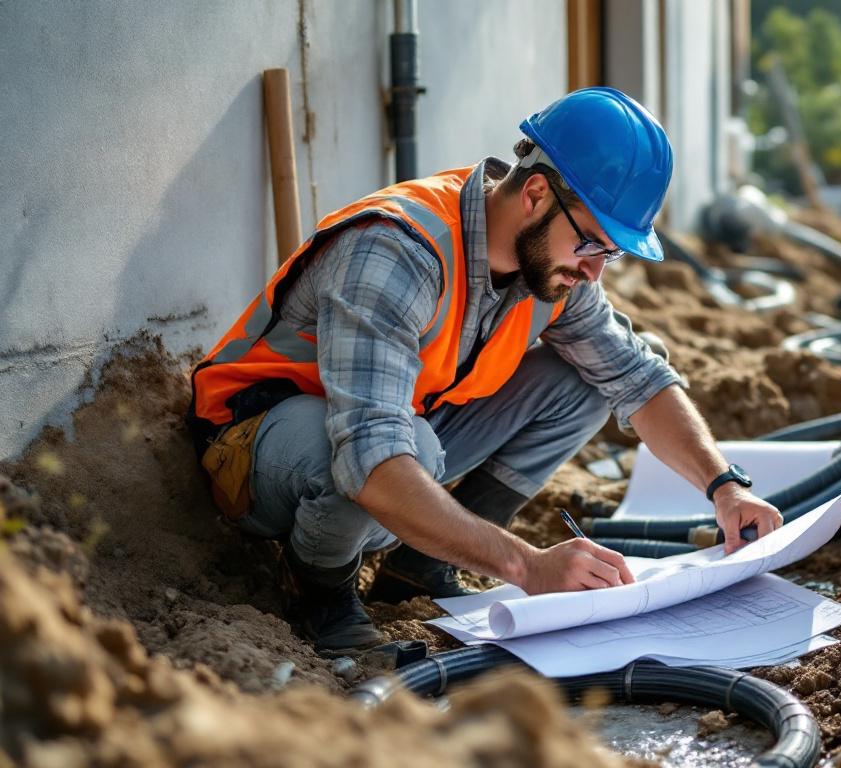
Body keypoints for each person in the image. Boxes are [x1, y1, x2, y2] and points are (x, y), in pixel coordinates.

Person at [186, 87, 783, 654]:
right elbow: (371, 456)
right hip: (255, 447)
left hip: (397, 431)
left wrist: (723, 486)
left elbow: (636, 377)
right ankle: (319, 592)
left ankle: (419, 565)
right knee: (402, 449)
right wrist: (527, 565)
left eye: (611, 253)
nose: (596, 271)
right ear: (536, 196)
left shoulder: (552, 267)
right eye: (593, 245)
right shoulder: (396, 252)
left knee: (581, 382)